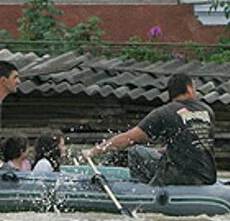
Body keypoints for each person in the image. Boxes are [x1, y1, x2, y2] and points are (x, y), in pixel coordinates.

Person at [83, 73, 218, 186]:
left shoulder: (165, 112)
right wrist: (159, 151)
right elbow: (193, 143)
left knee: (136, 151)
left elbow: (128, 138)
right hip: (207, 175)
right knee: (153, 153)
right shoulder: (207, 111)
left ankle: (144, 190)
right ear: (189, 89)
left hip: (179, 176)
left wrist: (94, 151)